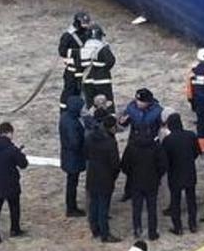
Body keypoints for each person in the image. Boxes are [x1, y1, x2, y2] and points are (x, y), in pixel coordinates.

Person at [0, 122, 29, 244]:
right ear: (9, 133)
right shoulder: (11, 149)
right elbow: (23, 164)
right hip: (11, 184)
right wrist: (21, 154)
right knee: (14, 208)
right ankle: (15, 229)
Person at [159, 112, 200, 234]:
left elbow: (165, 158)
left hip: (175, 173)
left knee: (175, 202)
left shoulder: (168, 140)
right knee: (191, 200)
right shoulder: (190, 135)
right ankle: (193, 225)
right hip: (189, 171)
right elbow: (196, 151)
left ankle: (178, 227)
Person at [85, 114, 122, 242]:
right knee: (103, 207)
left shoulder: (90, 137)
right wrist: (114, 176)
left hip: (92, 175)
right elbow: (115, 164)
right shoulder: (110, 143)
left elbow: (86, 153)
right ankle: (105, 234)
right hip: (105, 178)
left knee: (93, 204)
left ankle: (95, 229)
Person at [121, 132, 164, 240]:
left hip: (135, 181)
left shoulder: (131, 147)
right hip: (151, 182)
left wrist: (130, 175)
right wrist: (157, 176)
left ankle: (137, 229)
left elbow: (124, 165)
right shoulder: (156, 147)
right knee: (152, 208)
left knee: (136, 207)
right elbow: (163, 165)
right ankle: (152, 232)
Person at [59, 94, 87, 217]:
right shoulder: (72, 123)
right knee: (72, 183)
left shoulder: (65, 117)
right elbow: (74, 142)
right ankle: (71, 208)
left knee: (71, 182)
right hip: (73, 157)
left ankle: (71, 206)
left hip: (68, 155)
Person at [59, 12, 93, 108]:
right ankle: (64, 110)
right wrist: (78, 54)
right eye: (84, 23)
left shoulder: (88, 33)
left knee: (82, 92)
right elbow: (62, 51)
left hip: (85, 70)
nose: (86, 25)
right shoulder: (68, 36)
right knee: (69, 92)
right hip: (72, 71)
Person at [82, 24, 117, 107]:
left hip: (87, 79)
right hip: (103, 80)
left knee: (90, 103)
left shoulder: (84, 47)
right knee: (107, 103)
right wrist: (103, 70)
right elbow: (111, 61)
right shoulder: (103, 47)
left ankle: (93, 118)